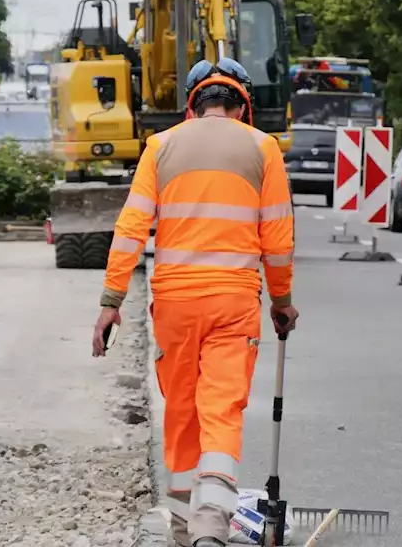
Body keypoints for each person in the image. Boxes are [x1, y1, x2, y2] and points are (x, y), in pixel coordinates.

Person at [90, 57, 298, 547]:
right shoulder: (262, 147)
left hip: (176, 304)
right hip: (234, 302)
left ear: (193, 103)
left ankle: (182, 530)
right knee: (221, 410)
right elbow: (279, 236)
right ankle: (211, 528)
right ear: (243, 102)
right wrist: (282, 300)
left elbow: (131, 230)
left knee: (182, 411)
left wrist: (111, 300)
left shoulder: (160, 147)